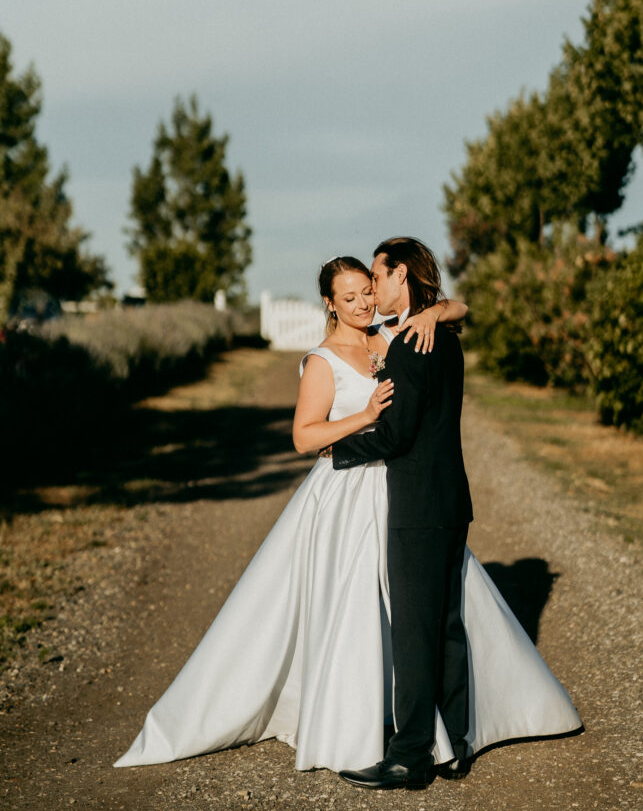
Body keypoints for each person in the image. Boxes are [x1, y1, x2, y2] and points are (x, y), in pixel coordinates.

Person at [115, 254, 580, 776]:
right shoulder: (322, 360)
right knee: (361, 605)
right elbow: (304, 437)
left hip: (403, 486)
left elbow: (460, 307)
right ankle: (357, 717)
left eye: (367, 291)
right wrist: (363, 416)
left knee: (422, 609)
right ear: (330, 304)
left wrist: (433, 312)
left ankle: (437, 723)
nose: (362, 304)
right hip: (350, 489)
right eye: (350, 297)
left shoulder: (391, 336)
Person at [331, 238, 474, 789]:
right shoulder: (446, 339)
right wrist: (439, 310)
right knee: (448, 626)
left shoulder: (409, 348)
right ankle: (456, 744)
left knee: (413, 633)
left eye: (377, 276)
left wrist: (338, 450)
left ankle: (410, 756)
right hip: (452, 501)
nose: (373, 288)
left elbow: (395, 435)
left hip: (416, 506)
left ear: (401, 276)